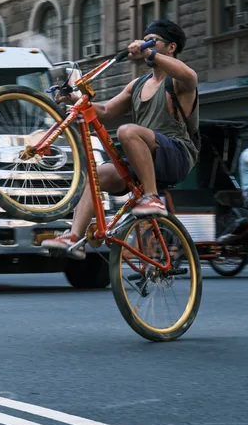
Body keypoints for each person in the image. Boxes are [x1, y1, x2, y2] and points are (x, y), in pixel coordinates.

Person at [43, 20, 200, 259]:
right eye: (145, 40)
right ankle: (74, 238)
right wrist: (72, 98)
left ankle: (153, 199)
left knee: (128, 130)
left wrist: (149, 52)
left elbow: (189, 75)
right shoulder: (138, 84)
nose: (146, 45)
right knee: (96, 176)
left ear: (171, 47)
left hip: (176, 155)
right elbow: (105, 111)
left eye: (153, 41)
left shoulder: (179, 81)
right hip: (143, 157)